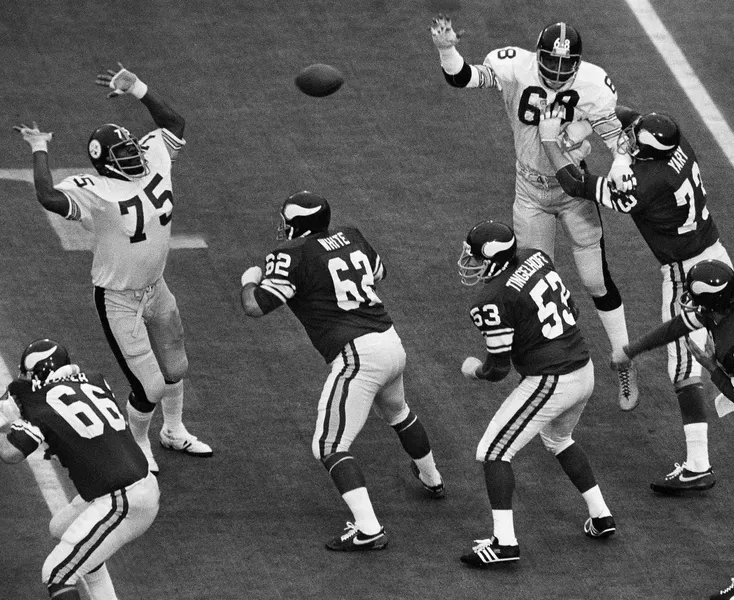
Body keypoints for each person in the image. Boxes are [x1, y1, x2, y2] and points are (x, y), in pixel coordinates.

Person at [429, 15, 639, 411]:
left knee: (595, 280)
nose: (557, 73)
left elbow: (615, 136)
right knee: (536, 286)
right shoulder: (514, 66)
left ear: (577, 63)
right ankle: (551, 372)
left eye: (566, 65)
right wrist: (446, 48)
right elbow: (463, 78)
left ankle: (623, 358)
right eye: (551, 63)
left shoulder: (593, 84)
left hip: (574, 188)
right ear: (537, 55)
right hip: (529, 191)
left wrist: (621, 164)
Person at [13, 62, 212, 474]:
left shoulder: (154, 157)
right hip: (118, 296)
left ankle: (173, 430)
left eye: (134, 149)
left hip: (156, 287)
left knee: (177, 368)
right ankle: (137, 443)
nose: (136, 156)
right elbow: (50, 197)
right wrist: (39, 147)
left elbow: (174, 122)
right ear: (104, 163)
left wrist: (137, 87)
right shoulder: (97, 191)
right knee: (151, 384)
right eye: (124, 154)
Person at [539, 106, 733, 493]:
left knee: (684, 369)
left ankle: (698, 465)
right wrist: (592, 110)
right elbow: (632, 118)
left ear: (649, 154)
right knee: (732, 345)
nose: (627, 139)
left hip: (687, 273)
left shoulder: (643, 185)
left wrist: (549, 139)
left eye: (635, 142)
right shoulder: (677, 146)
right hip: (715, 254)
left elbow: (576, 184)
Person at [240, 191, 445, 551]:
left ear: (298, 225)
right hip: (389, 340)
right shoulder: (351, 235)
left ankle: (368, 529)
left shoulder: (290, 255)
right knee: (398, 410)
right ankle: (432, 478)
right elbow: (379, 272)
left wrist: (248, 281)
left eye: (287, 223)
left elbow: (256, 307)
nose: (282, 228)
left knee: (329, 445)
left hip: (357, 354)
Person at [614, 260, 734, 600]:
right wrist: (630, 351)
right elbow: (677, 327)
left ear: (712, 302)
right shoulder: (730, 302)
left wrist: (713, 369)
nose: (690, 303)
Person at [457, 220, 615, 568]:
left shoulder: (491, 298)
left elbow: (498, 369)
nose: (472, 264)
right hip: (583, 368)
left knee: (493, 451)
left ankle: (504, 543)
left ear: (492, 258)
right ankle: (601, 515)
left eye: (476, 258)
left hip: (552, 379)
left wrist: (474, 371)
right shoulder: (535, 257)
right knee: (559, 439)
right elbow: (571, 310)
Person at [0, 339, 160, 600]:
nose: (22, 379)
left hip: (122, 498)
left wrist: (12, 417)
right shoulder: (96, 381)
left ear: (38, 373)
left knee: (56, 573)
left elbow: (10, 453)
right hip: (133, 485)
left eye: (26, 374)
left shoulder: (40, 404)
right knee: (62, 528)